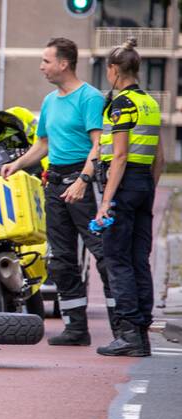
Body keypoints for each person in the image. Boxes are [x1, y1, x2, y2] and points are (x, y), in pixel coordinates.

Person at [0, 37, 113, 346]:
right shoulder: (50, 101)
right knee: (61, 259)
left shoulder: (89, 98)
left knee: (102, 252)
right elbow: (44, 144)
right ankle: (77, 329)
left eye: (46, 61)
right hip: (56, 184)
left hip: (82, 183)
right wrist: (17, 164)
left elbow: (97, 146)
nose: (41, 66)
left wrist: (83, 181)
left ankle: (123, 326)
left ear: (64, 64)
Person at [94, 39, 164, 357]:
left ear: (113, 70)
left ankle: (128, 333)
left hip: (123, 183)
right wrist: (147, 188)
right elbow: (159, 157)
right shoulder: (150, 102)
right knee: (138, 260)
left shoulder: (121, 105)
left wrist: (106, 201)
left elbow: (118, 156)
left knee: (116, 258)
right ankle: (142, 332)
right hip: (144, 184)